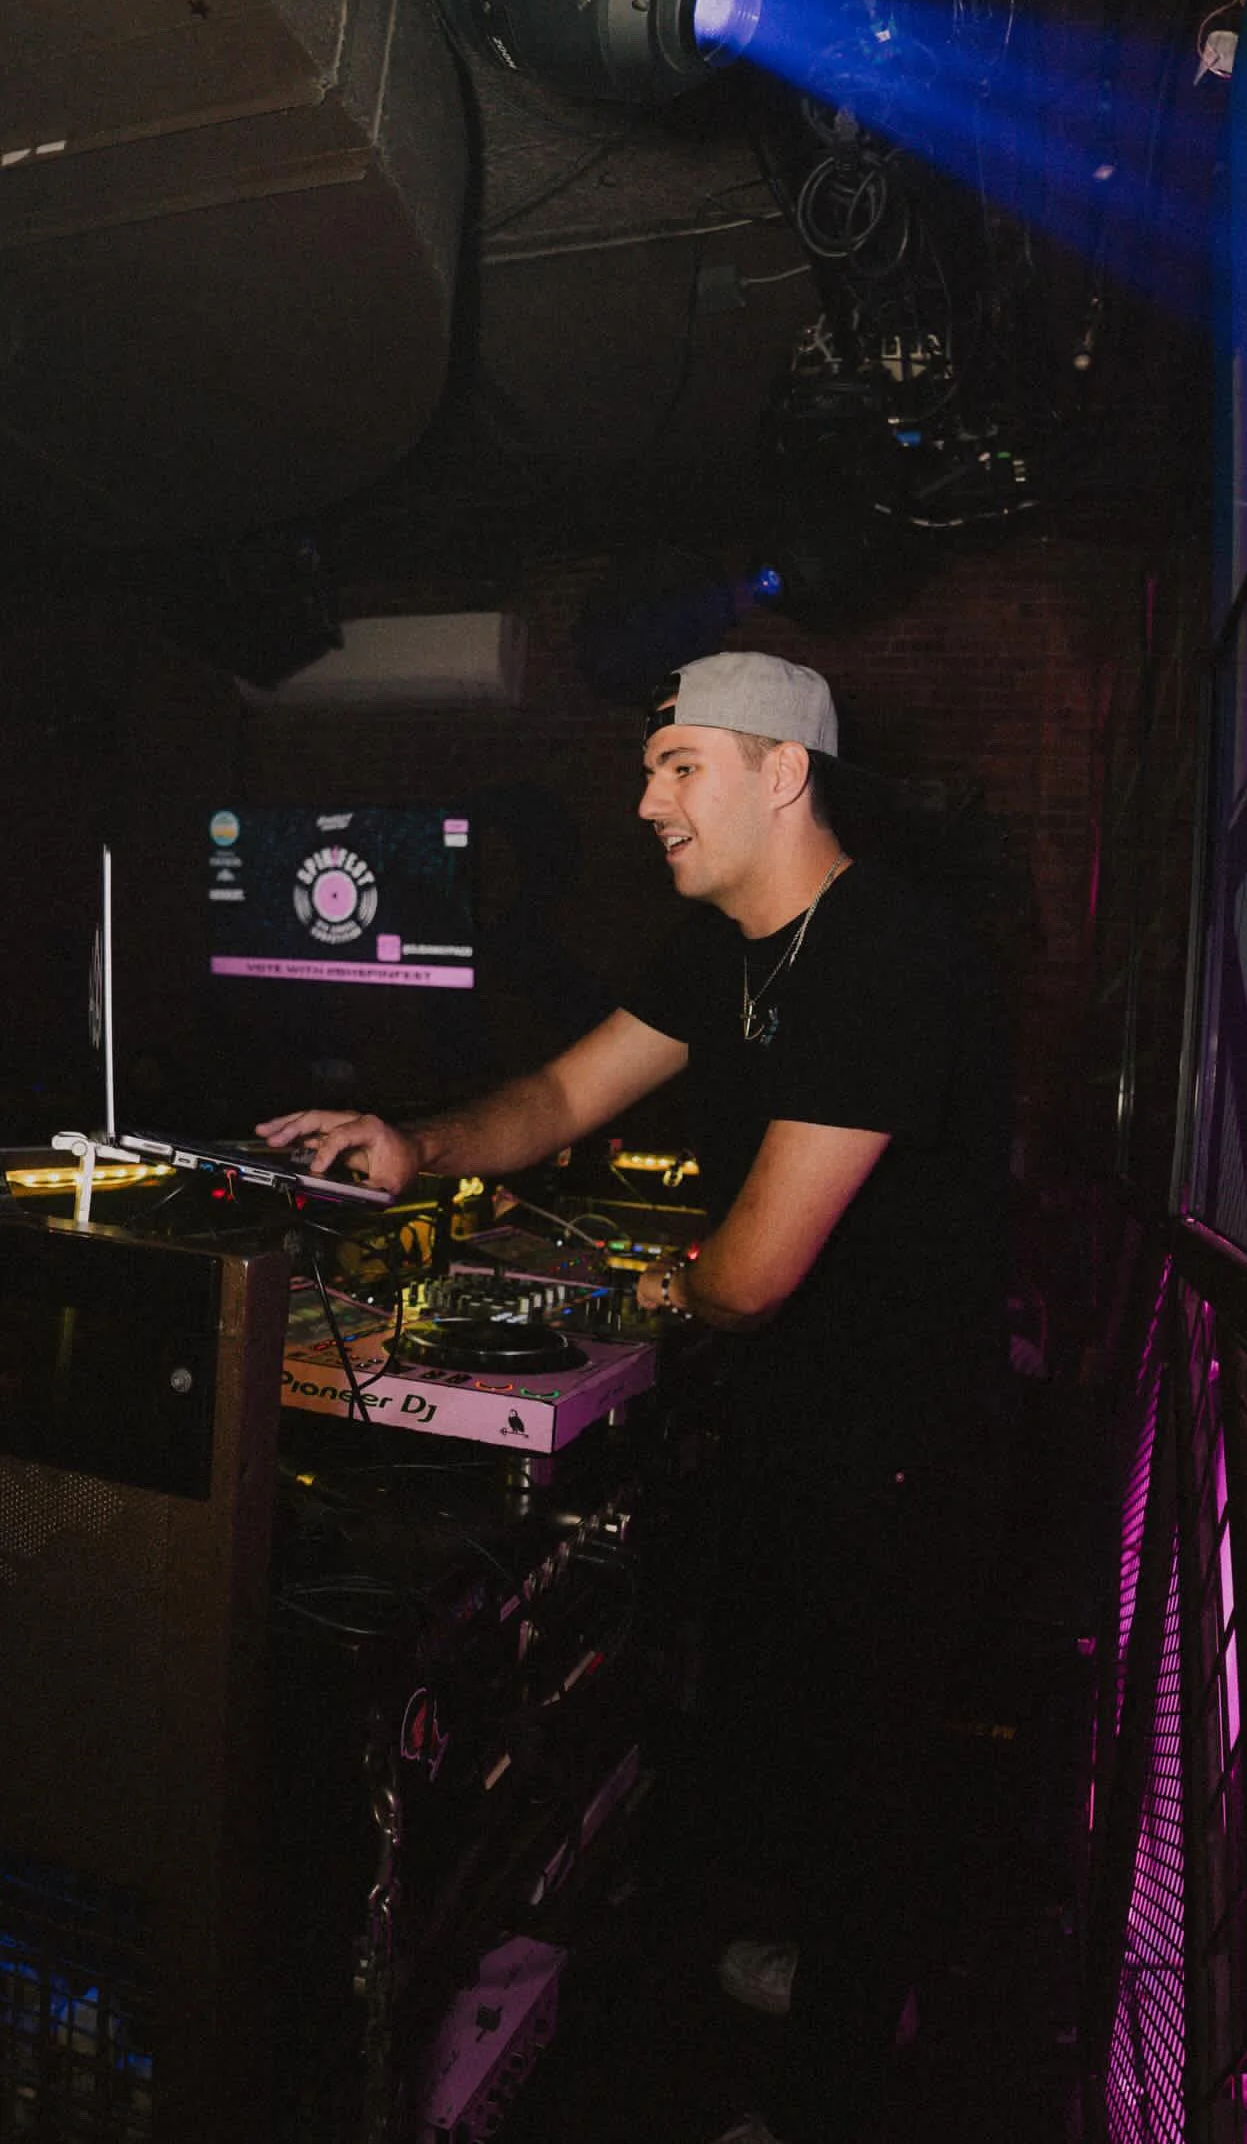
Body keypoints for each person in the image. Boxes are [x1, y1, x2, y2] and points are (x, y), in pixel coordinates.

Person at [259, 650, 1010, 2144]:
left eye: (679, 767)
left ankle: (836, 2094)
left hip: (905, 1445)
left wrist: (594, 1301)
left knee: (872, 1779)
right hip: (801, 1418)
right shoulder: (720, 949)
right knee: (784, 1733)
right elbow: (552, 1102)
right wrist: (412, 1145)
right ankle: (828, 1985)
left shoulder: (887, 949)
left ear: (781, 773)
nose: (646, 798)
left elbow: (748, 1276)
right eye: (649, 766)